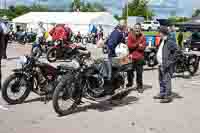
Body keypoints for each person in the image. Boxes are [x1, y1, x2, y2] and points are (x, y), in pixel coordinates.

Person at [153, 26, 178, 103]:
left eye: (159, 32)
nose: (158, 34)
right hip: (161, 64)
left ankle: (168, 96)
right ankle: (162, 93)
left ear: (162, 33)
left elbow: (177, 52)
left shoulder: (170, 41)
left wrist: (169, 62)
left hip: (166, 65)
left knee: (166, 80)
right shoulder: (162, 40)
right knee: (161, 80)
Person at [127, 23, 146, 93]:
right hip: (131, 57)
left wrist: (135, 46)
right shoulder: (130, 35)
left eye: (138, 28)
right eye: (136, 28)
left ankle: (139, 86)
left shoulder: (143, 37)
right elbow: (129, 46)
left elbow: (143, 47)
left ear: (140, 29)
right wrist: (138, 44)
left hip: (139, 58)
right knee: (129, 72)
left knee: (139, 73)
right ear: (134, 29)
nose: (137, 29)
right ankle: (129, 84)